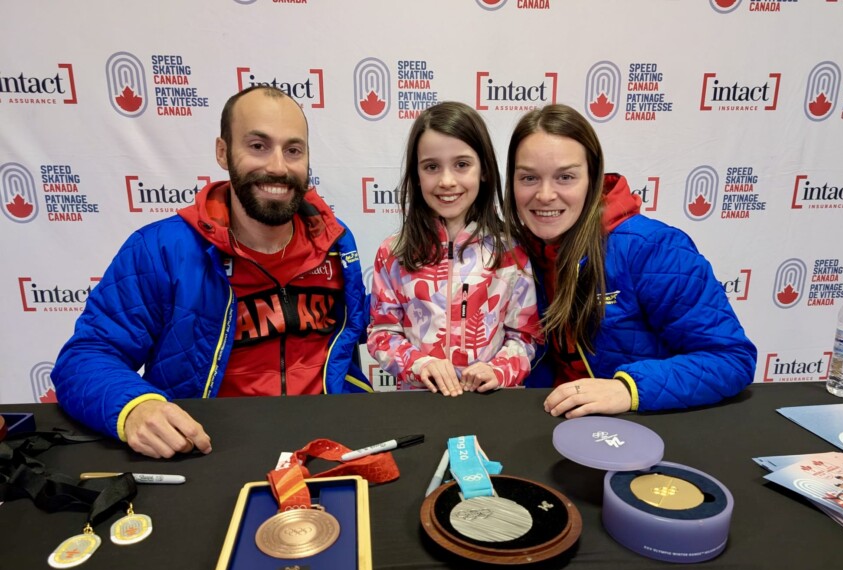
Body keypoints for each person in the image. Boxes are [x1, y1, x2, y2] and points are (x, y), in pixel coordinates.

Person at [52, 86, 370, 458]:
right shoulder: (161, 249)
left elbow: (367, 328)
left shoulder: (335, 241)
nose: (278, 167)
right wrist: (136, 407)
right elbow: (86, 355)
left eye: (293, 150)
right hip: (209, 447)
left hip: (328, 440)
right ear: (223, 152)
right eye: (258, 146)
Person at [503, 104, 757, 418]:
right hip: (550, 421)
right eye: (528, 178)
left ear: (592, 179)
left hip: (636, 433)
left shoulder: (650, 247)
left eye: (565, 177)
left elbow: (731, 359)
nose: (544, 195)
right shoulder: (518, 254)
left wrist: (628, 388)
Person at [367, 101, 540, 396]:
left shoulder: (511, 252)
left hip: (490, 402)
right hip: (420, 402)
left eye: (461, 164)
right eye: (432, 167)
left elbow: (525, 337)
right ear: (417, 176)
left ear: (483, 170)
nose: (447, 181)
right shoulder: (393, 252)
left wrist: (498, 369)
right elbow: (382, 333)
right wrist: (419, 364)